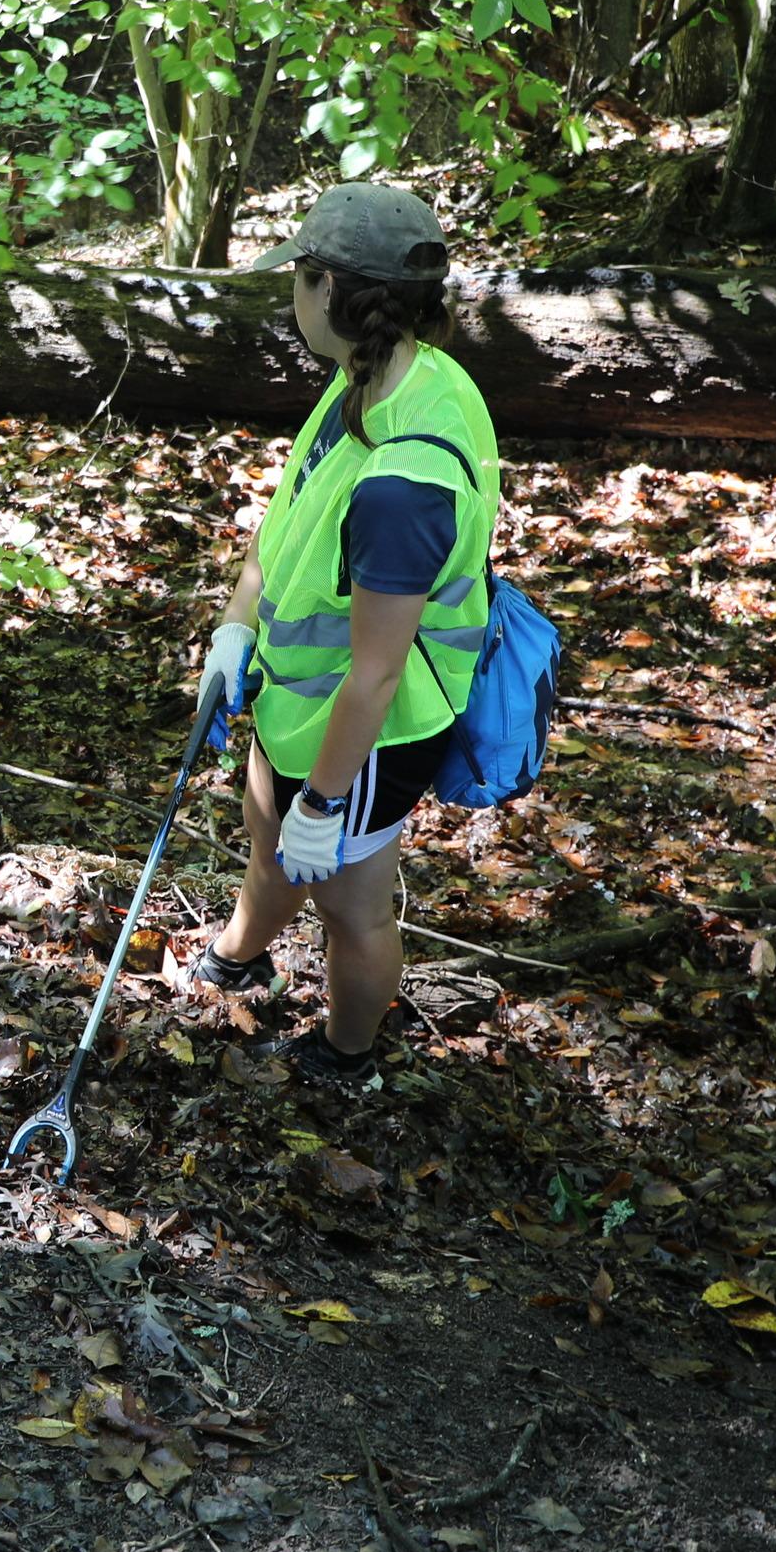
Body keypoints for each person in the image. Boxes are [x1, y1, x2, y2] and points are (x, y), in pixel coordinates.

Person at [190, 184, 498, 1078]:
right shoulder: (375, 374)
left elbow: (375, 675)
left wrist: (325, 802)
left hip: (367, 733)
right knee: (264, 819)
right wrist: (236, 628)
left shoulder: (404, 482)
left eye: (298, 278)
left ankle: (346, 1052)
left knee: (351, 908)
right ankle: (242, 950)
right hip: (299, 700)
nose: (292, 297)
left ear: (329, 291)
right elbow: (287, 518)